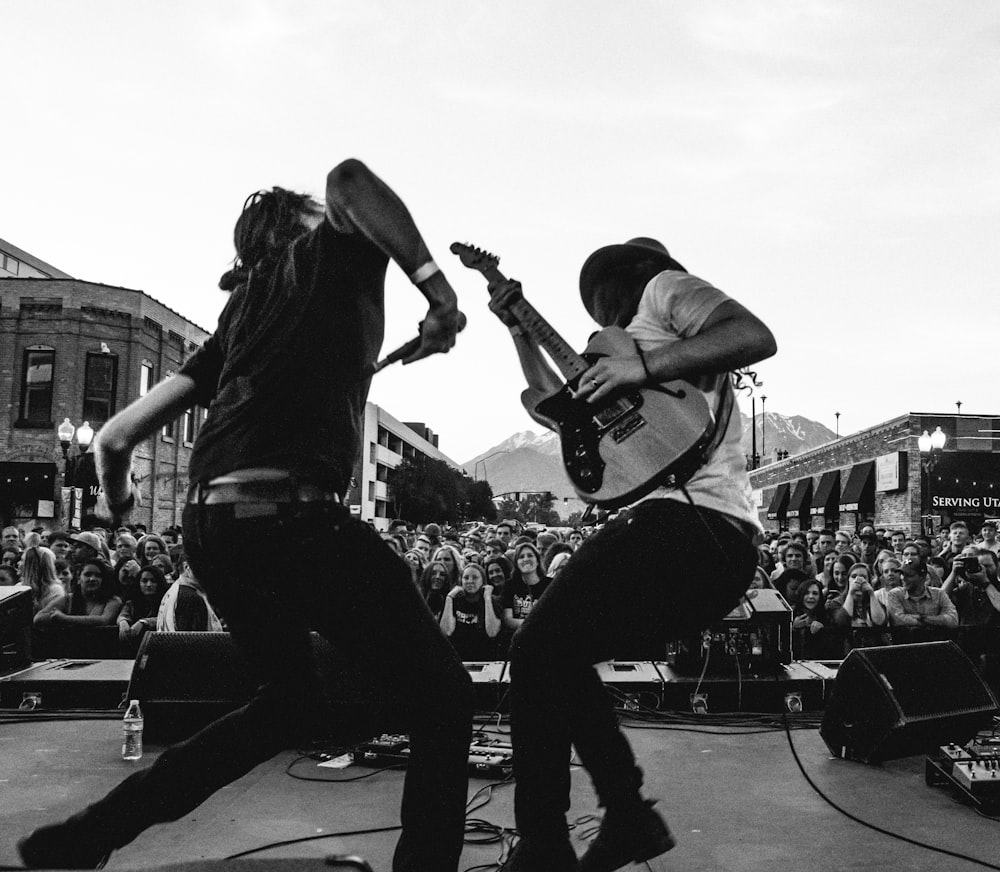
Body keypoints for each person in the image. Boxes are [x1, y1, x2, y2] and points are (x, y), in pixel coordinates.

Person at [18, 159, 473, 872]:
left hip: (215, 527)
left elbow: (113, 439)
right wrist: (438, 294)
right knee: (444, 694)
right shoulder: (325, 252)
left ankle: (87, 835)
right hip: (291, 516)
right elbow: (350, 177)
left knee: (286, 706)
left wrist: (120, 502)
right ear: (305, 226)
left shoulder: (240, 315)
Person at [486, 235, 774, 871]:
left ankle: (551, 843)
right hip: (707, 546)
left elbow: (753, 334)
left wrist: (642, 366)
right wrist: (518, 330)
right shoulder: (620, 355)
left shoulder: (664, 292)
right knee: (554, 655)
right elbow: (556, 411)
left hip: (695, 524)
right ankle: (624, 819)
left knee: (537, 648)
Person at [439, 563, 502, 661]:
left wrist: (488, 599)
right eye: (466, 578)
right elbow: (447, 631)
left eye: (475, 577)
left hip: (485, 658)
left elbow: (492, 632)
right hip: (459, 658)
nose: (470, 581)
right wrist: (449, 598)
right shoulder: (454, 600)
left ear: (483, 581)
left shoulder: (492, 601)